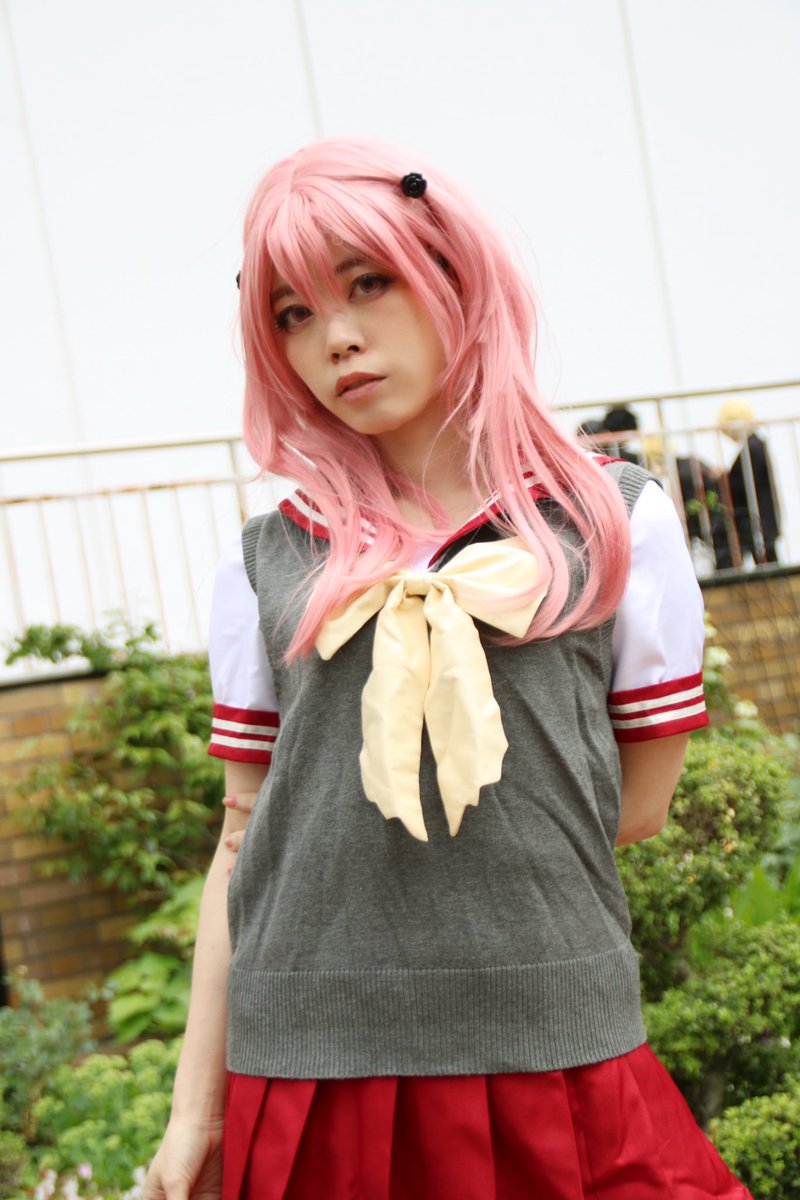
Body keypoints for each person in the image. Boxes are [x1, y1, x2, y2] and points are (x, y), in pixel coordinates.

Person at [143, 139, 752, 1199]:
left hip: (551, 1037)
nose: (335, 337)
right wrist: (194, 1114)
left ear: (453, 275)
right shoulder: (268, 558)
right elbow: (244, 842)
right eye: (292, 313)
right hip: (309, 1068)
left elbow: (633, 804)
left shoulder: (613, 522)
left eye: (367, 284)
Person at [718, 400, 780, 565]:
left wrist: (724, 479)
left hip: (757, 520)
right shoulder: (755, 446)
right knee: (768, 563)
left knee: (767, 564)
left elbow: (746, 484)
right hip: (760, 519)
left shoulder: (752, 448)